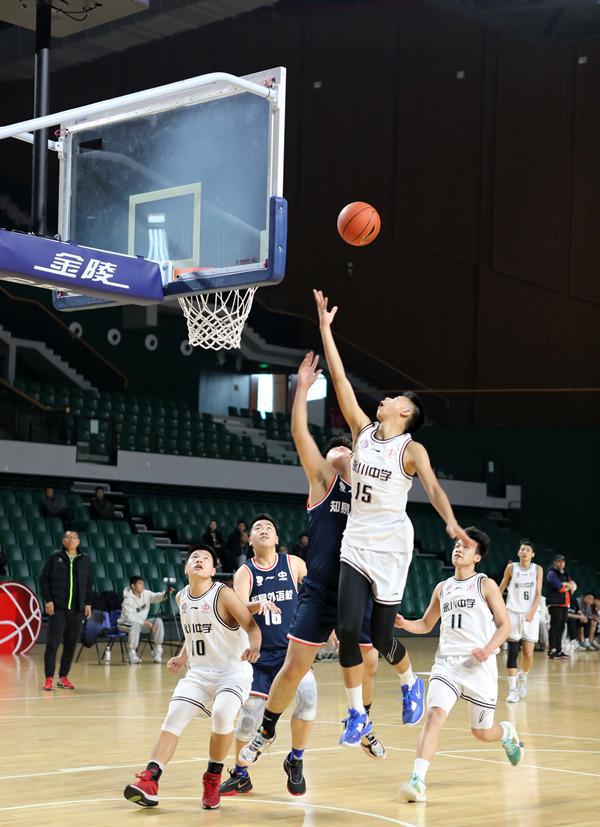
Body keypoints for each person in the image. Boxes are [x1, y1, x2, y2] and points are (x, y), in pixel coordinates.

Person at [313, 291, 474, 744]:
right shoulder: (362, 433)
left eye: (391, 398)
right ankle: (355, 715)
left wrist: (449, 522)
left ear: (404, 412)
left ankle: (410, 684)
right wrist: (326, 329)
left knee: (383, 640)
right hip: (356, 541)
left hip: (392, 546)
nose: (381, 399)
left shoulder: (411, 448)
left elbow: (436, 488)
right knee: (346, 631)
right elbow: (340, 378)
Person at [240, 352, 387, 767]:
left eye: (348, 450)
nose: (344, 454)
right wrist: (302, 388)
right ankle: (265, 731)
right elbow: (299, 432)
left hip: (357, 587)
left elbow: (367, 439)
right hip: (321, 591)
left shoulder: (370, 492)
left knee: (370, 659)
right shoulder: (322, 484)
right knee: (293, 668)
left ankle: (363, 722)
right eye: (338, 451)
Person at [123, 544, 261, 811]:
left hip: (232, 671)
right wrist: (183, 657)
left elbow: (251, 625)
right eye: (194, 558)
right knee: (174, 716)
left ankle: (212, 778)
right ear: (186, 568)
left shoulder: (224, 594)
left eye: (205, 559)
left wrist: (254, 646)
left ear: (213, 569)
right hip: (199, 672)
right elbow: (192, 631)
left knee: (222, 714)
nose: (199, 560)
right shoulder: (182, 597)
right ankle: (151, 779)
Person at [397, 528, 524, 802]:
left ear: (477, 557)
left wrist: (488, 650)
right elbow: (427, 624)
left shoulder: (485, 584)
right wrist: (405, 623)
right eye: (457, 544)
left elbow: (505, 625)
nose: (458, 548)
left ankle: (507, 732)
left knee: (481, 732)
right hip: (447, 665)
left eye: (465, 546)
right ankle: (417, 780)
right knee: (434, 716)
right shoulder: (442, 588)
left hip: (480, 666)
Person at [220, 514, 315, 797]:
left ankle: (295, 759)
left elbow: (315, 596)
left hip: (291, 653)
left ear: (276, 539)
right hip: (257, 655)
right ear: (250, 541)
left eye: (269, 528)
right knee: (250, 717)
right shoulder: (245, 573)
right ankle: (240, 775)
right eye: (257, 529)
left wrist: (327, 626)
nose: (263, 530)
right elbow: (237, 609)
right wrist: (256, 604)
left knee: (308, 698)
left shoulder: (294, 564)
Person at [39, 530, 93, 691]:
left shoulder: (84, 559)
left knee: (70, 645)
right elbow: (43, 579)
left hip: (76, 610)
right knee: (52, 645)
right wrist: (48, 600)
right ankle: (48, 677)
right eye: (67, 537)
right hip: (58, 609)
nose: (71, 540)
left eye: (74, 537)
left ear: (78, 541)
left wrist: (88, 603)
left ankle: (63, 677)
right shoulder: (55, 557)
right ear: (63, 541)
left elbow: (89, 583)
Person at [498, 539, 543, 703]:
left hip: (531, 614)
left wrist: (532, 612)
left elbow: (538, 594)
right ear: (518, 553)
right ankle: (512, 690)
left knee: (528, 655)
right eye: (522, 549)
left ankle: (523, 677)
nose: (524, 551)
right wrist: (496, 607)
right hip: (513, 613)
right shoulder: (511, 568)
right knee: (512, 652)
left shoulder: (538, 569)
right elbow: (501, 588)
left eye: (528, 550)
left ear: (532, 554)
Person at [118, 575, 170, 664]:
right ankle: (132, 653)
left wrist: (166, 593)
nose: (142, 585)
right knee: (134, 625)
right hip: (125, 623)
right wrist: (146, 622)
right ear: (133, 586)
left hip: (141, 624)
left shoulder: (146, 594)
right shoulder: (128, 600)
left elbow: (157, 597)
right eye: (140, 583)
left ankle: (157, 651)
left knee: (158, 621)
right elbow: (130, 618)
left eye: (143, 583)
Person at [545, 553, 576, 660]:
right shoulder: (551, 574)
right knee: (555, 627)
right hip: (555, 604)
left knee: (561, 628)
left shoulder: (565, 573)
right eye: (558, 561)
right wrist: (567, 585)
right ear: (554, 562)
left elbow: (574, 586)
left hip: (564, 604)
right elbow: (560, 588)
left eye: (562, 561)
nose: (561, 563)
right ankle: (552, 650)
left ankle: (559, 650)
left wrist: (567, 584)